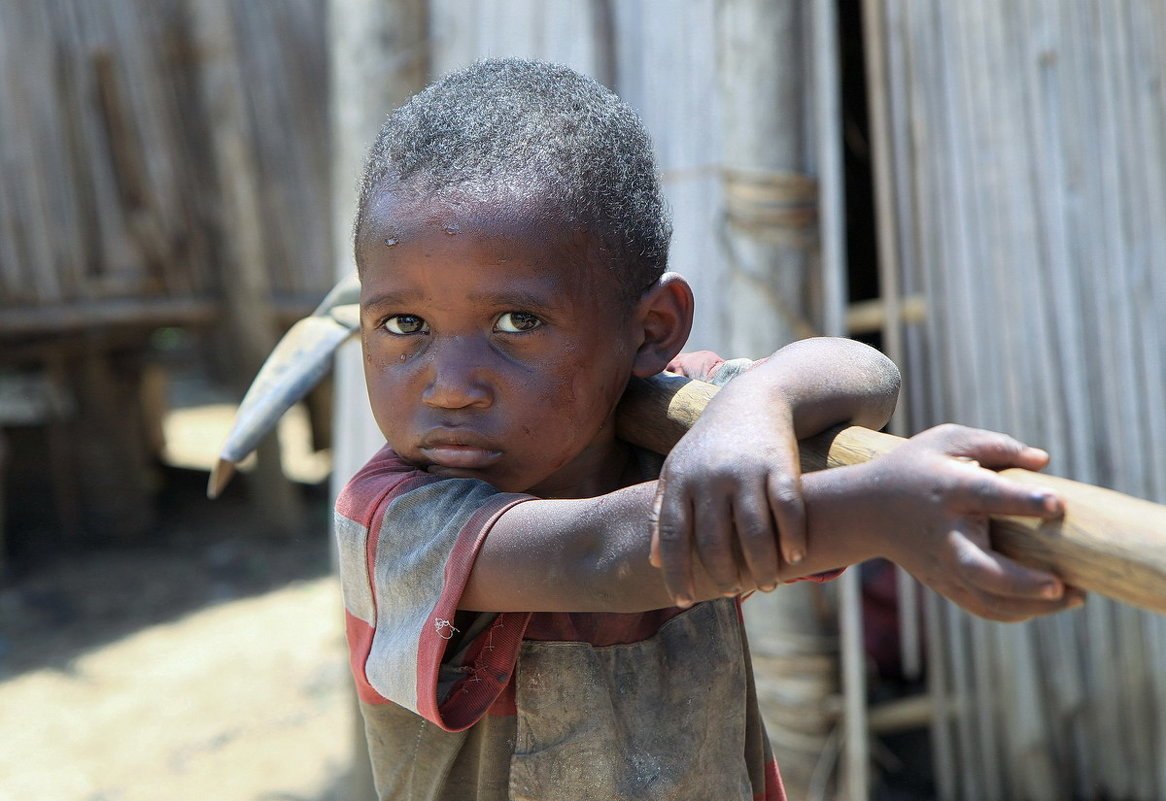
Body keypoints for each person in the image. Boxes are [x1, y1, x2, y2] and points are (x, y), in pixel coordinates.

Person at [334, 57, 1082, 801]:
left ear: (652, 328)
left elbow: (865, 374)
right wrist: (883, 508)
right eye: (405, 325)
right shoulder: (392, 524)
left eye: (516, 322)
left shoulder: (679, 419)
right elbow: (605, 553)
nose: (453, 386)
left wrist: (763, 400)